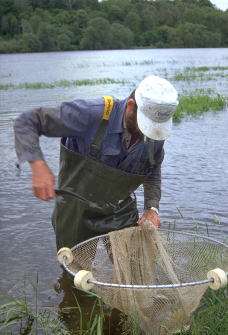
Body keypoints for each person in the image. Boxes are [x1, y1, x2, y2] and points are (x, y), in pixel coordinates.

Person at [14, 75, 179, 250]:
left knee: (133, 269)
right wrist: (38, 165)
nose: (150, 134)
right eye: (145, 126)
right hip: (75, 213)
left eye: (155, 128)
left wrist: (152, 207)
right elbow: (28, 121)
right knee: (76, 274)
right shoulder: (92, 113)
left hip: (119, 211)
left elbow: (152, 170)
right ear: (130, 106)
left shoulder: (155, 133)